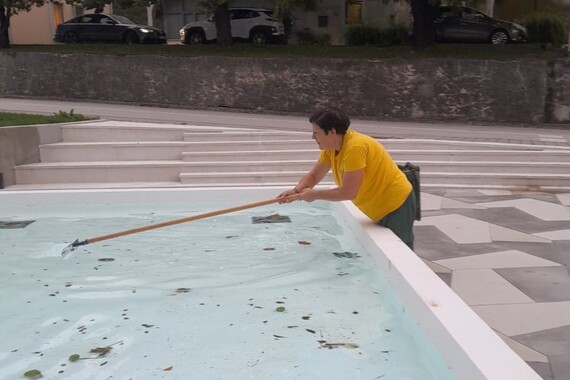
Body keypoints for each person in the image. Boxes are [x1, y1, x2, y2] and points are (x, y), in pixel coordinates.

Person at [279, 106, 416, 250]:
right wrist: (296, 191)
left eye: (316, 133)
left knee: (402, 252)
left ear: (331, 132)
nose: (313, 137)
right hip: (378, 207)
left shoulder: (354, 148)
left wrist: (315, 195)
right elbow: (314, 176)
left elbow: (348, 192)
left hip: (396, 203)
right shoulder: (331, 149)